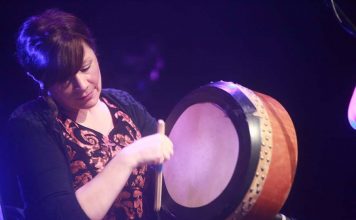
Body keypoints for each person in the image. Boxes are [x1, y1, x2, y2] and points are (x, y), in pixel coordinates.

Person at [5, 9, 173, 220]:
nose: (82, 85)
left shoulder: (121, 103)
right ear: (40, 80)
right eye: (65, 79)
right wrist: (128, 158)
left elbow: (173, 177)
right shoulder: (31, 124)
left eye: (86, 67)